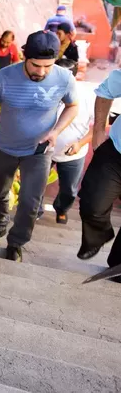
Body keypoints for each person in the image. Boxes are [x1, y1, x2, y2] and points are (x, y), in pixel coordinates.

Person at [0, 30, 79, 262]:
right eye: (35, 66)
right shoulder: (3, 77)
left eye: (47, 66)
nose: (41, 72)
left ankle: (16, 242)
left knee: (30, 201)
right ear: (24, 56)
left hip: (39, 151)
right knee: (0, 193)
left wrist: (55, 132)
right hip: (4, 147)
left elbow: (73, 106)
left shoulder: (64, 78)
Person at [77, 69, 121, 274]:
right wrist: (98, 131)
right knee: (92, 203)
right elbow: (105, 92)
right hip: (116, 152)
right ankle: (97, 235)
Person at [38, 59, 92, 224]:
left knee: (69, 189)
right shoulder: (44, 90)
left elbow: (98, 127)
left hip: (73, 153)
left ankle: (61, 208)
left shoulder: (88, 96)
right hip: (45, 149)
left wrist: (79, 144)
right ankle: (36, 210)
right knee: (37, 181)